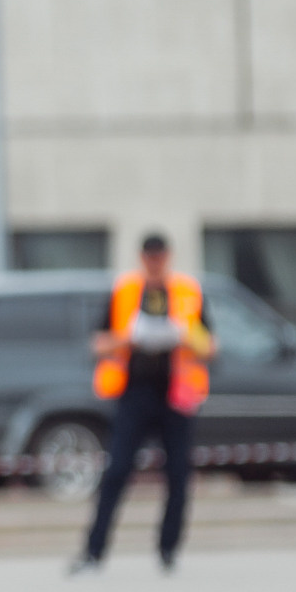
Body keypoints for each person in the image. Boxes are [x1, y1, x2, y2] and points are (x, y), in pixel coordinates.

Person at [72, 232, 211, 574]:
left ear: (168, 256)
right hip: (134, 392)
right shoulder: (126, 291)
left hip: (176, 393)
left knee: (178, 475)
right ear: (141, 257)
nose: (155, 262)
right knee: (117, 470)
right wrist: (130, 338)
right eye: (149, 256)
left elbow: (211, 344)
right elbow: (98, 343)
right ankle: (94, 550)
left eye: (159, 256)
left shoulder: (187, 292)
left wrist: (182, 335)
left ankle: (168, 550)